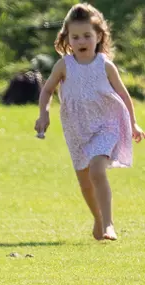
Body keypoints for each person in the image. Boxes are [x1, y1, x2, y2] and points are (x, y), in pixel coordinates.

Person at [34, 3, 144, 241]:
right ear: (67, 39)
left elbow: (124, 95)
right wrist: (44, 114)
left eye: (87, 35)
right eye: (75, 37)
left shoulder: (105, 65)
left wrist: (133, 123)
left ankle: (109, 225)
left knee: (97, 170)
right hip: (77, 129)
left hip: (107, 124)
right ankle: (98, 219)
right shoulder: (64, 65)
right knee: (85, 183)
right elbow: (47, 91)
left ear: (98, 37)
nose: (81, 41)